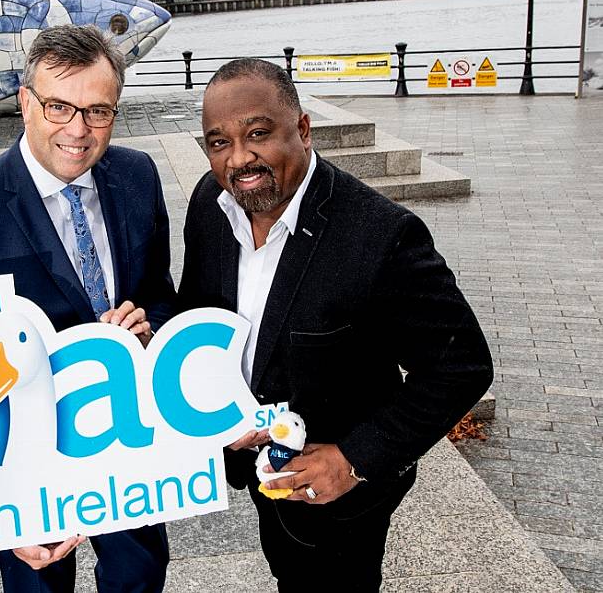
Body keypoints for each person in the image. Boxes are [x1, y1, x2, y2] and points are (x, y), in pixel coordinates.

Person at [178, 58, 494, 591]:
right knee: (287, 568)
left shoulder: (381, 235)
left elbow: (461, 366)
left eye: (258, 134)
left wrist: (353, 460)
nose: (240, 159)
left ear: (302, 129)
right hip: (261, 472)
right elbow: (202, 314)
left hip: (342, 496)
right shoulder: (211, 206)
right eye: (218, 143)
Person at [0, 24, 175, 593]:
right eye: (59, 106)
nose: (78, 130)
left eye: (98, 111)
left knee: (140, 575)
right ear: (25, 103)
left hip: (128, 443)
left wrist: (147, 323)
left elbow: (159, 291)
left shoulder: (138, 176)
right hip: (26, 462)